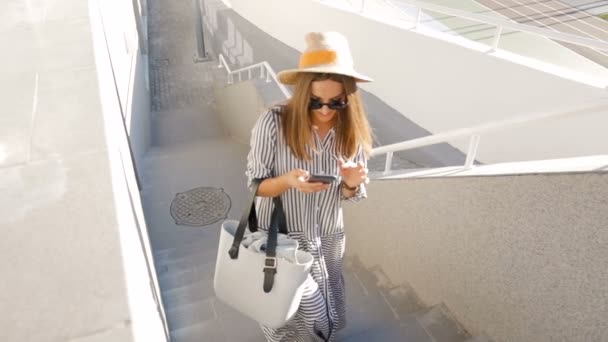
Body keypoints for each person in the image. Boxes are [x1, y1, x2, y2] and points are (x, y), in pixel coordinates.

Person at [246, 31, 372, 342]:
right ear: (303, 92)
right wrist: (288, 181)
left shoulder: (350, 130)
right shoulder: (273, 122)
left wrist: (352, 184)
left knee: (322, 308)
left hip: (328, 237)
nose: (326, 110)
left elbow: (348, 195)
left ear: (348, 97)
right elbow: (256, 185)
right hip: (284, 240)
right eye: (316, 101)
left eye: (336, 102)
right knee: (286, 310)